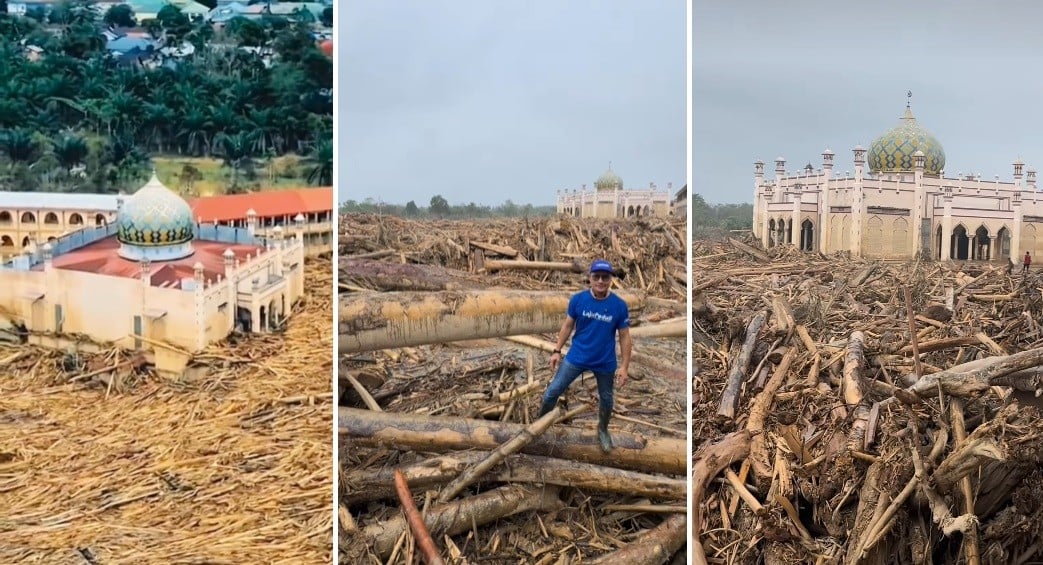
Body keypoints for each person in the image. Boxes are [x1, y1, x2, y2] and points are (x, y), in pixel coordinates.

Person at [538, 259, 632, 453]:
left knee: (606, 399)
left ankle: (603, 430)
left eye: (604, 277)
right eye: (596, 277)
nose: (600, 281)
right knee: (552, 392)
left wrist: (624, 367)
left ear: (610, 280)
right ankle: (539, 426)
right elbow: (567, 326)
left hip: (604, 362)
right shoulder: (578, 300)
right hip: (577, 357)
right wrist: (556, 351)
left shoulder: (619, 306)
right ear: (589, 278)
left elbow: (624, 337)